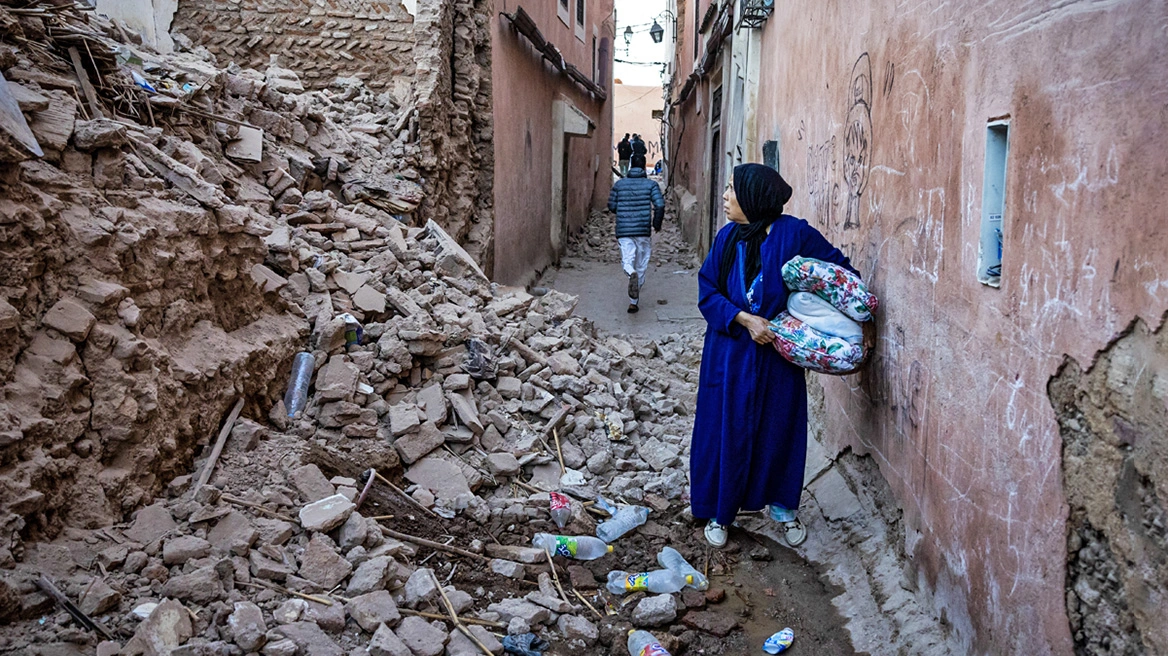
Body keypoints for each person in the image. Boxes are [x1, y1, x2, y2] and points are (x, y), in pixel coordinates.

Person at [691, 163, 858, 549]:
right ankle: (721, 510)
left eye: (732, 190)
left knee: (778, 429)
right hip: (729, 355)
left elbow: (840, 276)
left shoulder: (794, 234)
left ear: (754, 198)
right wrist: (744, 319)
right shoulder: (727, 238)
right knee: (726, 429)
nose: (726, 197)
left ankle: (783, 508)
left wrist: (808, 318)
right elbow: (707, 290)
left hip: (777, 359)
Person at [607, 153, 665, 313]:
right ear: (644, 165)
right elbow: (660, 205)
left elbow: (611, 206)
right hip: (642, 230)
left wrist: (622, 211)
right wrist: (656, 224)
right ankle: (633, 302)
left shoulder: (620, 184)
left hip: (624, 230)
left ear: (631, 164)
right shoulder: (651, 185)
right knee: (641, 264)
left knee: (628, 260)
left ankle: (630, 273)